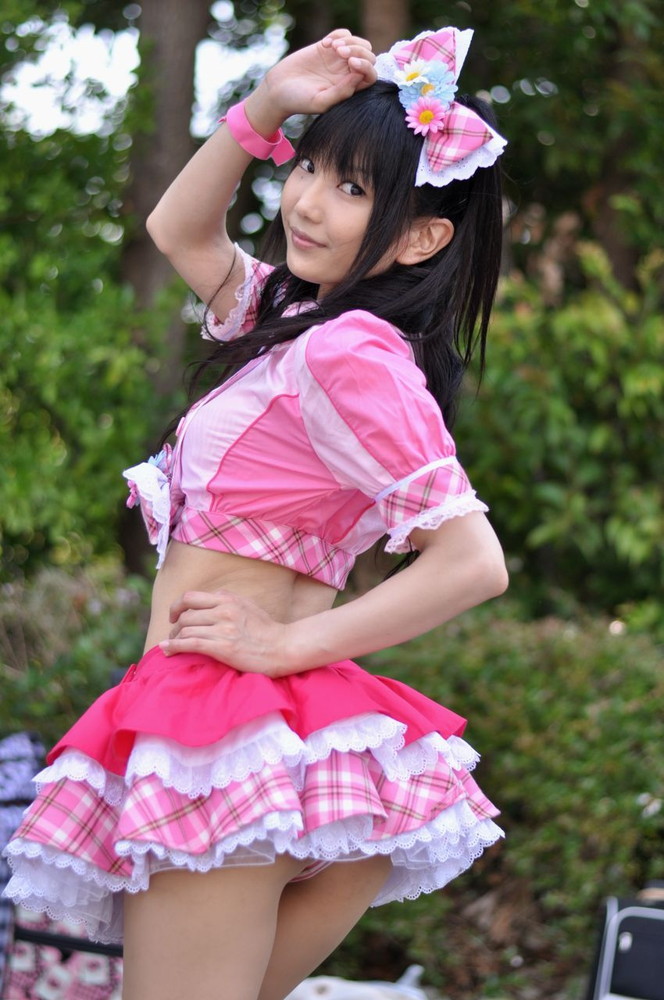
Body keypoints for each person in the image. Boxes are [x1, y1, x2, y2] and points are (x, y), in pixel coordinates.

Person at [4, 25, 509, 1000]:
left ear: (420, 237)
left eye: (352, 188)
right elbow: (180, 231)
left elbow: (472, 561)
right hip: (241, 719)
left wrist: (281, 647)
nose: (307, 201)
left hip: (224, 722)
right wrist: (269, 102)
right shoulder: (296, 324)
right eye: (309, 168)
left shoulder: (345, 351)